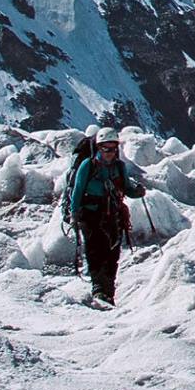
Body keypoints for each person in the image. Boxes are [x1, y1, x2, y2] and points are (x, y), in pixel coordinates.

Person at [65, 130, 146, 304]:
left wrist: (137, 192)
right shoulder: (88, 165)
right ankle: (99, 290)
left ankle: (108, 291)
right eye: (106, 149)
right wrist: (74, 213)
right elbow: (78, 191)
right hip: (89, 214)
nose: (110, 152)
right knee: (96, 250)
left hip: (112, 214)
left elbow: (126, 188)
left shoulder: (119, 167)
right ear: (99, 148)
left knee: (112, 253)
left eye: (113, 148)